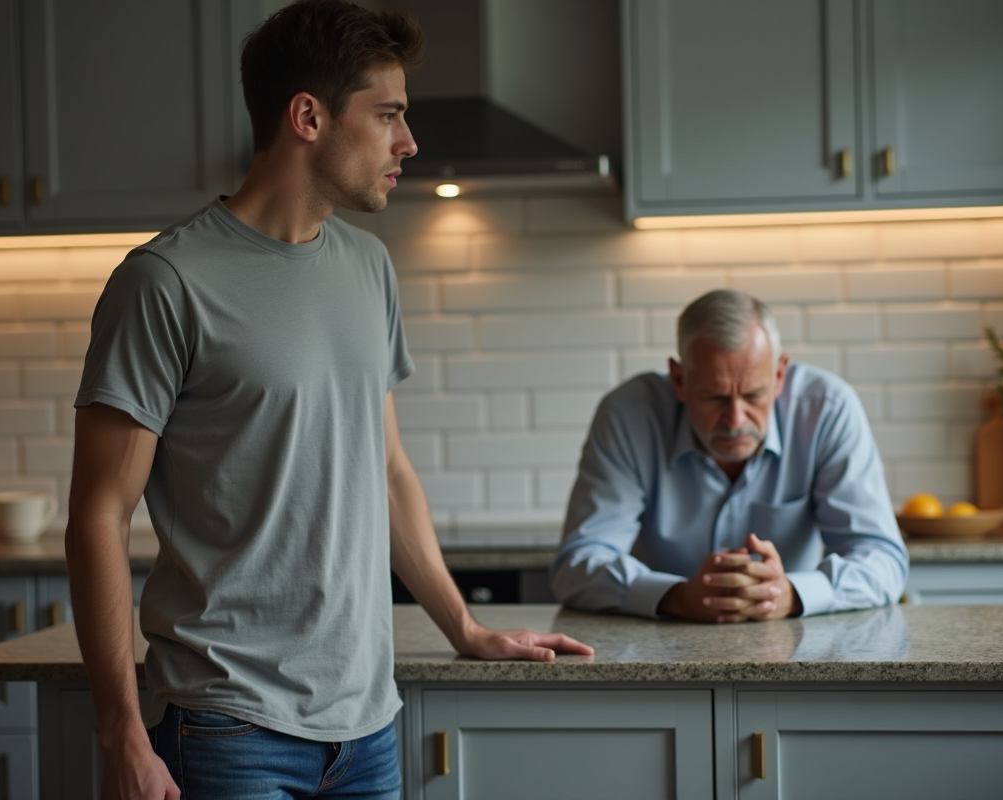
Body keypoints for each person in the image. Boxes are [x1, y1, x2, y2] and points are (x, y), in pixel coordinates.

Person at [65, 3, 591, 799]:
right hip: (227, 723)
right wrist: (120, 734)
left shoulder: (368, 266)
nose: (408, 143)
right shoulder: (165, 282)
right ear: (308, 117)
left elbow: (387, 473)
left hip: (368, 726)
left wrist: (466, 627)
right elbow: (99, 514)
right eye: (388, 116)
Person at [551, 289, 908, 623]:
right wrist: (676, 596)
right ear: (679, 380)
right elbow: (578, 565)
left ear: (780, 374)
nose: (736, 420)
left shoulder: (827, 411)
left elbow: (883, 560)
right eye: (714, 397)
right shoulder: (628, 416)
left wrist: (790, 595)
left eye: (753, 395)